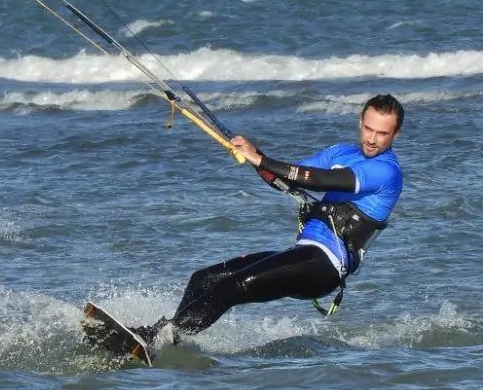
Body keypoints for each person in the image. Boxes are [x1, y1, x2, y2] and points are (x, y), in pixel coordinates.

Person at [135, 94, 404, 347]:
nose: (372, 139)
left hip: (326, 266)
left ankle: (156, 336)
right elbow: (288, 178)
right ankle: (174, 341)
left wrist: (261, 158)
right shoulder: (341, 152)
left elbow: (321, 179)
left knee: (234, 286)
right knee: (204, 278)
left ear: (396, 134)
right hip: (305, 253)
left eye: (382, 133)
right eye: (369, 129)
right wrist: (253, 154)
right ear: (360, 121)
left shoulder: (386, 171)